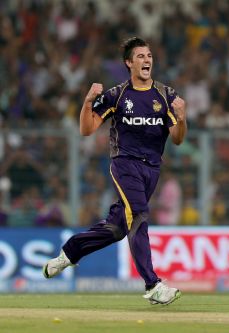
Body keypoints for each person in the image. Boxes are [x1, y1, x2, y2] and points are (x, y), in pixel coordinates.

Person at [42, 37, 187, 306]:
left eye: (149, 56)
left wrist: (182, 116)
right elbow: (87, 130)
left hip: (152, 169)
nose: (147, 60)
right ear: (129, 63)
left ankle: (69, 253)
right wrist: (88, 102)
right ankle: (153, 285)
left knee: (117, 228)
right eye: (141, 56)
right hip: (125, 164)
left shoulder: (166, 95)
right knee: (140, 214)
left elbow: (177, 138)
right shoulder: (117, 95)